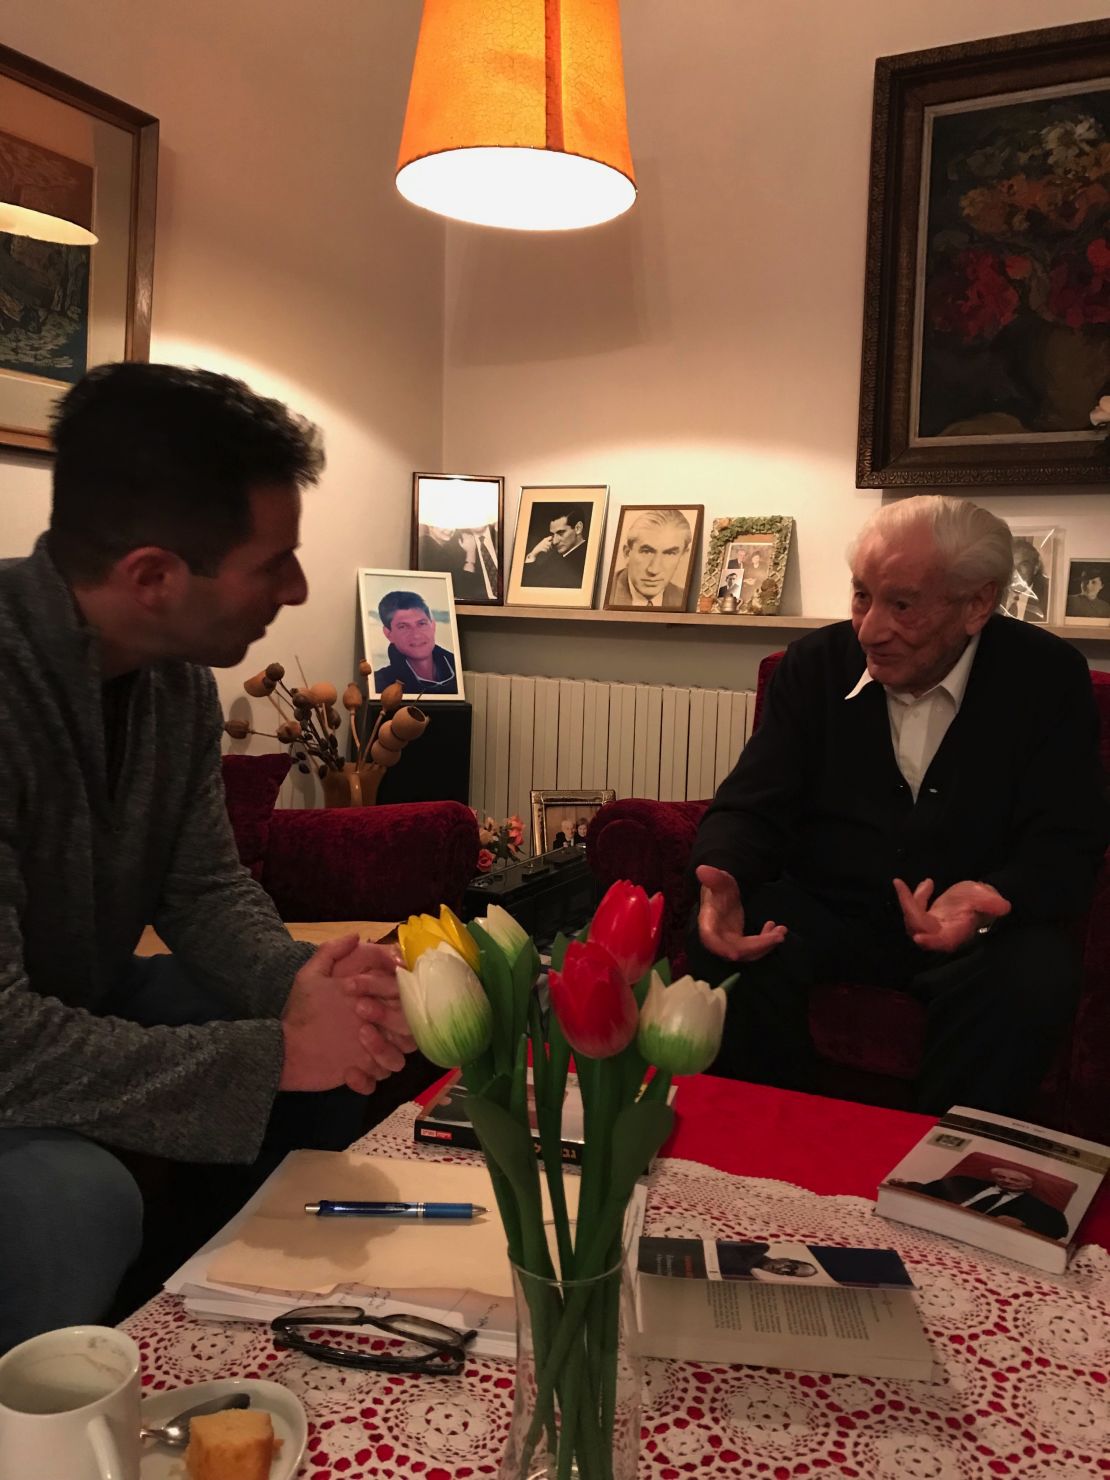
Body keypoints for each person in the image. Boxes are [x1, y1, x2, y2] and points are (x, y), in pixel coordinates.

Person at [0, 362, 417, 1355]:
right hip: (14, 1033)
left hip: (79, 998)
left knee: (347, 1030)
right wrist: (274, 1051)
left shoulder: (173, 679)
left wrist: (308, 988)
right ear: (152, 576)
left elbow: (202, 884)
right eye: (274, 561)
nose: (301, 587)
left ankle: (237, 1324)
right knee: (76, 1200)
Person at [689, 495, 1109, 1118]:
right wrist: (722, 874)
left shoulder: (1046, 678)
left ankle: (943, 1176)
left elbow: (1069, 839)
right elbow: (751, 803)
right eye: (862, 595)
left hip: (971, 934)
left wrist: (988, 899)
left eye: (902, 605)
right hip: (832, 911)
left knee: (1036, 972)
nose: (870, 629)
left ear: (976, 604)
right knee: (738, 933)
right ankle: (769, 1146)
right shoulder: (815, 667)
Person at [898, 1165, 1069, 1240]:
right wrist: (907, 1185)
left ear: (1029, 1185)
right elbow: (929, 1190)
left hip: (979, 1237)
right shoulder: (963, 1181)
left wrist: (1024, 1225)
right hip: (934, 1223)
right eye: (1001, 1177)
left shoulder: (1036, 1206)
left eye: (1015, 1180)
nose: (1007, 1181)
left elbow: (1060, 1229)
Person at [372, 590, 459, 694]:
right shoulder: (380, 685)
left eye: (422, 624)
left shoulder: (458, 671)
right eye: (403, 627)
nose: (416, 635)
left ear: (433, 625)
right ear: (388, 634)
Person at [610, 508, 692, 609]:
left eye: (670, 553)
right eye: (646, 552)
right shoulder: (608, 592)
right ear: (627, 553)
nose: (654, 570)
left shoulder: (683, 598)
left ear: (683, 556)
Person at [418, 524, 498, 602]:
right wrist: (470, 554)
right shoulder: (428, 548)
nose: (449, 530)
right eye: (443, 524)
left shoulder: (498, 534)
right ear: (430, 524)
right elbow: (461, 591)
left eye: (452, 525)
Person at [520, 503, 591, 589]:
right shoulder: (556, 556)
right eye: (553, 534)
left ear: (578, 528)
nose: (554, 541)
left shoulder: (588, 560)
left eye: (561, 533)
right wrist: (534, 553)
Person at [1002, 538, 1048, 623]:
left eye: (1023, 565)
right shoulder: (994, 595)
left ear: (1036, 567)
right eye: (1011, 565)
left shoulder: (1048, 599)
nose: (1016, 572)